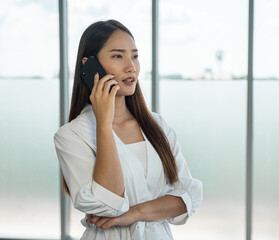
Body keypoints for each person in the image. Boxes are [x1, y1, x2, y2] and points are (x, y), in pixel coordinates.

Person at [53, 19, 203, 239]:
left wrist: (133, 214)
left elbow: (189, 195)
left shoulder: (157, 125)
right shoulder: (71, 136)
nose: (131, 66)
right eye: (117, 56)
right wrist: (104, 122)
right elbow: (106, 204)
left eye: (134, 56)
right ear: (89, 65)